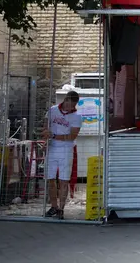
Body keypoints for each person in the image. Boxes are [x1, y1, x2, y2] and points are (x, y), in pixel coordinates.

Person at [42, 90, 82, 220]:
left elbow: (72, 136)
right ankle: (54, 206)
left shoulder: (77, 116)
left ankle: (61, 208)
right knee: (50, 178)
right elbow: (45, 125)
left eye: (74, 105)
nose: (72, 107)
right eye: (71, 104)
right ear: (66, 100)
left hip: (66, 149)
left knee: (64, 180)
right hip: (52, 148)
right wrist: (46, 136)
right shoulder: (53, 110)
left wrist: (54, 135)